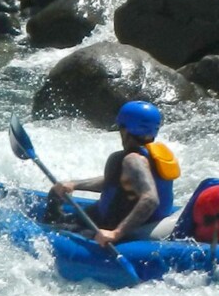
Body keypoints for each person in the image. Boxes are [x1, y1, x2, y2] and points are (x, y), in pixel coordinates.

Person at [45, 101, 181, 248]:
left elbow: (150, 199)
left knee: (55, 227)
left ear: (124, 129)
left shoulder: (133, 160)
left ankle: (47, 228)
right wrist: (75, 184)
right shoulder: (153, 154)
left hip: (117, 227)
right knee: (57, 194)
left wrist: (116, 233)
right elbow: (120, 182)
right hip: (134, 220)